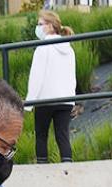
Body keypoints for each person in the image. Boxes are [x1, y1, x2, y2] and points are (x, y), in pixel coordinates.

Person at [25, 11, 76, 163]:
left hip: (45, 100)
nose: (38, 28)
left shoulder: (43, 47)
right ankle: (68, 168)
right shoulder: (69, 49)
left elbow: (36, 78)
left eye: (40, 24)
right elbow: (72, 76)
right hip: (65, 99)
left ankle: (42, 168)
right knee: (63, 135)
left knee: (41, 135)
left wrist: (29, 103)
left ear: (50, 26)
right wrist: (71, 98)